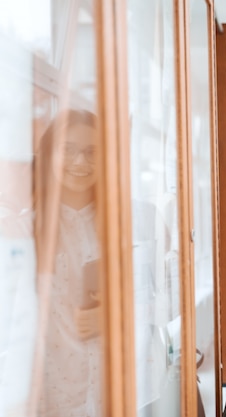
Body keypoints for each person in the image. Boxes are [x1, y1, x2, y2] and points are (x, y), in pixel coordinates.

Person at [35, 109, 102, 416]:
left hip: (116, 390)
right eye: (69, 150)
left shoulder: (129, 225)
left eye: (91, 152)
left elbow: (166, 301)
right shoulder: (26, 230)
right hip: (53, 395)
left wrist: (118, 316)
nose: (80, 162)